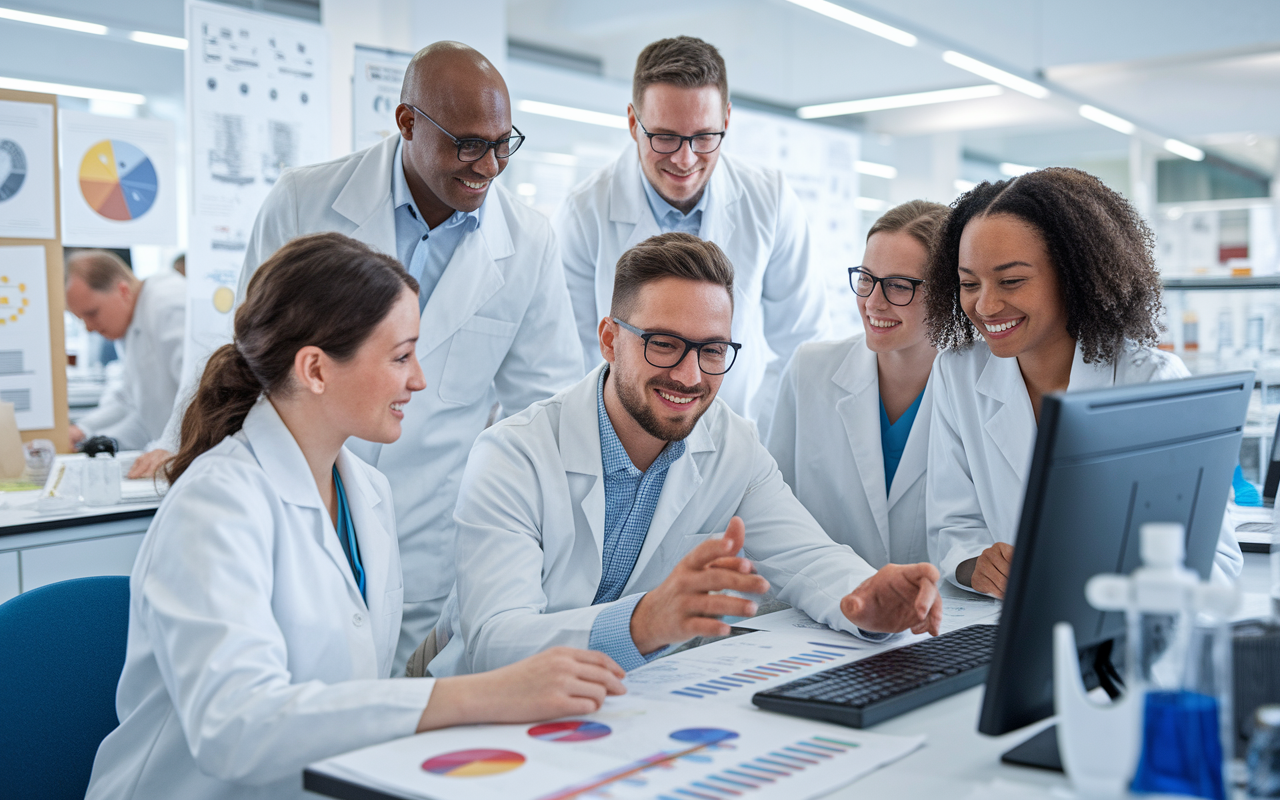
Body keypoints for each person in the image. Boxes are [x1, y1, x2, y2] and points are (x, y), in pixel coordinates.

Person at [84, 234, 623, 800]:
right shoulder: (216, 505)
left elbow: (352, 695)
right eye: (400, 356)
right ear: (316, 369)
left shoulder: (367, 492)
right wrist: (485, 694)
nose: (418, 379)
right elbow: (234, 729)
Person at [140, 42, 584, 670]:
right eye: (466, 144)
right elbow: (247, 342)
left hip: (427, 531)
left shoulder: (528, 239)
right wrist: (177, 438)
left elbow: (546, 404)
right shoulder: (305, 200)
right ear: (408, 123)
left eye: (503, 144)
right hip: (295, 503)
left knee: (383, 715)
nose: (488, 165)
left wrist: (539, 546)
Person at [429, 233, 941, 677]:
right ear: (610, 340)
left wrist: (870, 600)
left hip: (630, 703)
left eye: (712, 350)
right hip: (497, 708)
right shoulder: (513, 454)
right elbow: (494, 642)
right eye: (664, 344)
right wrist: (644, 622)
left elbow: (807, 556)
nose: (689, 375)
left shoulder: (733, 446)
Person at [923, 168, 1244, 597]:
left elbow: (1215, 560)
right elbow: (951, 524)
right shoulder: (957, 373)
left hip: (1123, 633)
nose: (985, 304)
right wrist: (974, 563)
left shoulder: (1151, 382)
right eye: (968, 283)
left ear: (1074, 275)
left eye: (1011, 281)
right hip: (1007, 625)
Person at [555, 36, 829, 433]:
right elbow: (571, 356)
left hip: (734, 431)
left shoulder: (769, 200)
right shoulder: (585, 212)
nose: (685, 160)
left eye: (704, 137)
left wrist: (755, 433)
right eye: (665, 137)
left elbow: (802, 344)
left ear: (727, 121)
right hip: (621, 434)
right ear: (634, 123)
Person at [769, 201, 947, 568]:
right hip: (821, 609)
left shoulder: (978, 387)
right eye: (866, 278)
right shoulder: (810, 370)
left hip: (943, 613)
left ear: (947, 294)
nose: (872, 302)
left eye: (898, 286)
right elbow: (771, 511)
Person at [64, 250, 184, 453]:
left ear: (123, 291)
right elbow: (138, 407)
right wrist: (84, 432)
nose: (89, 328)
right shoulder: (130, 325)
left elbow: (201, 391)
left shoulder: (168, 305)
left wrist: (168, 446)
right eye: (81, 319)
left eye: (92, 313)